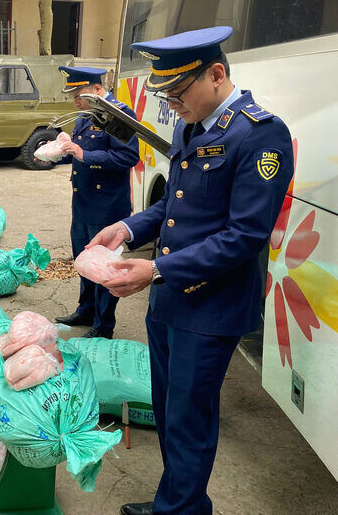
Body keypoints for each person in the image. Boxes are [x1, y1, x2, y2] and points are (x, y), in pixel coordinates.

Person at [86, 27, 293, 515]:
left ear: (216, 74)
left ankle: (177, 509)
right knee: (168, 411)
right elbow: (176, 208)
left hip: (210, 308)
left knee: (188, 418)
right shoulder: (192, 126)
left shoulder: (260, 135)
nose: (171, 104)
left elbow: (245, 236)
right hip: (170, 299)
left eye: (177, 93)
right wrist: (127, 228)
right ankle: (179, 502)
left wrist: (154, 269)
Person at [53, 67, 139, 339]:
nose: (76, 102)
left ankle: (103, 325)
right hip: (83, 202)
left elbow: (128, 157)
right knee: (83, 259)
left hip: (106, 206)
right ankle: (86, 309)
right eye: (73, 96)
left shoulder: (117, 113)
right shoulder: (86, 113)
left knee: (103, 267)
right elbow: (80, 151)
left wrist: (83, 154)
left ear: (96, 89)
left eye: (79, 95)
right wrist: (61, 151)